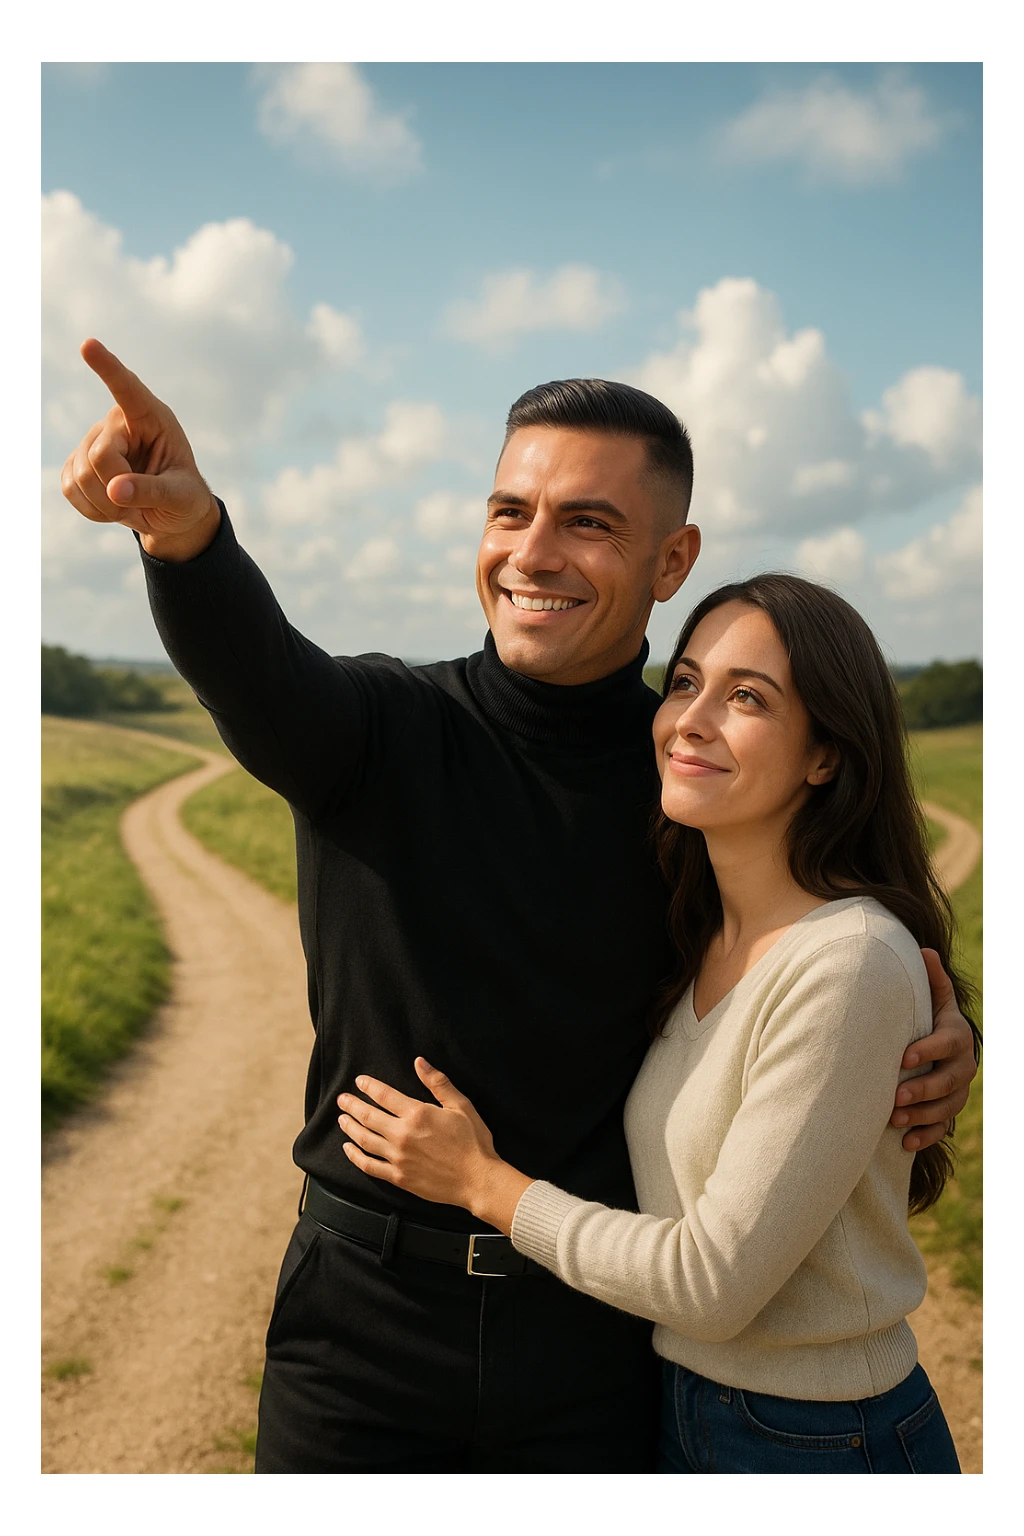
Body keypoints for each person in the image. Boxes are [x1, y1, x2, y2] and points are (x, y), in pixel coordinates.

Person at [60, 342, 978, 1473]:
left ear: (670, 558)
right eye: (509, 512)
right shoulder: (378, 731)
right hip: (364, 1329)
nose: (532, 553)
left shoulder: (690, 780)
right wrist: (186, 537)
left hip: (597, 1338)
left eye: (587, 522)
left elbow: (817, 931)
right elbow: (256, 671)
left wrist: (936, 1034)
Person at [336, 574, 977, 1473]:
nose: (692, 719)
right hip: (684, 1411)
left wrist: (484, 1185)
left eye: (746, 697)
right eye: (684, 682)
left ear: (826, 754)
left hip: (819, 1440)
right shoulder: (698, 936)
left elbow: (709, 1286)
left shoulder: (849, 960)